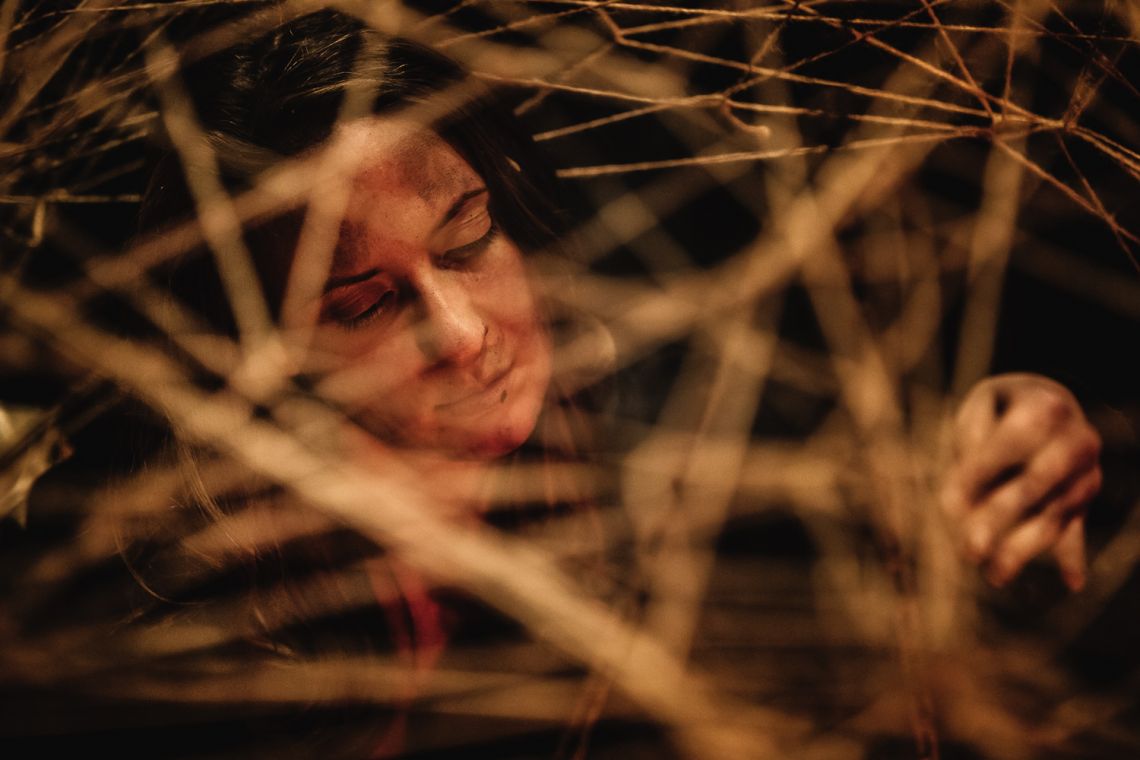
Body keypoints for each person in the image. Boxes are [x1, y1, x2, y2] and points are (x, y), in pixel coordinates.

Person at [15, 6, 1105, 758]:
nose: (463, 330)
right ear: (257, 346)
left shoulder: (659, 418)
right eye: (365, 304)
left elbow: (898, 476)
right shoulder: (165, 616)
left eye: (469, 237)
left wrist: (1002, 426)